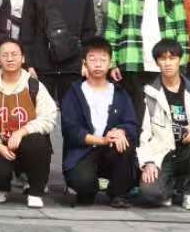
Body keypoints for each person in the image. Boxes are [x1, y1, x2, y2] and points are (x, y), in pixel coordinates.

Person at [19, 0, 98, 158]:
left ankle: (72, 168)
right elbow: (27, 29)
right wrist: (29, 64)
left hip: (73, 67)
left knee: (74, 121)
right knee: (38, 120)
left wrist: (85, 62)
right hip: (41, 66)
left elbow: (89, 29)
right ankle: (38, 171)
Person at [0, 36, 58, 207]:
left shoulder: (34, 86)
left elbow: (49, 117)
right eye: (5, 55)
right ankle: (1, 187)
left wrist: (22, 131)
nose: (10, 59)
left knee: (38, 142)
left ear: (23, 58)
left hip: (27, 144)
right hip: (0, 146)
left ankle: (35, 191)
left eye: (14, 54)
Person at [135, 38, 190, 211]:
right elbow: (143, 133)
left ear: (180, 60)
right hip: (161, 154)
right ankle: (169, 189)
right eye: (163, 59)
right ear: (157, 62)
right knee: (150, 195)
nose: (168, 63)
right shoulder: (148, 93)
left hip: (188, 152)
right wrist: (148, 162)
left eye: (172, 58)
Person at [59, 39, 139, 207]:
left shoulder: (119, 92)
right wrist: (101, 140)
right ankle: (86, 187)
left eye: (103, 59)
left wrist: (120, 131)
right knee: (84, 188)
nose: (98, 64)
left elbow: (132, 124)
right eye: (92, 59)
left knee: (124, 143)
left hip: (111, 149)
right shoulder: (74, 92)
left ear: (110, 63)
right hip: (84, 150)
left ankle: (118, 194)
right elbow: (70, 130)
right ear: (84, 62)